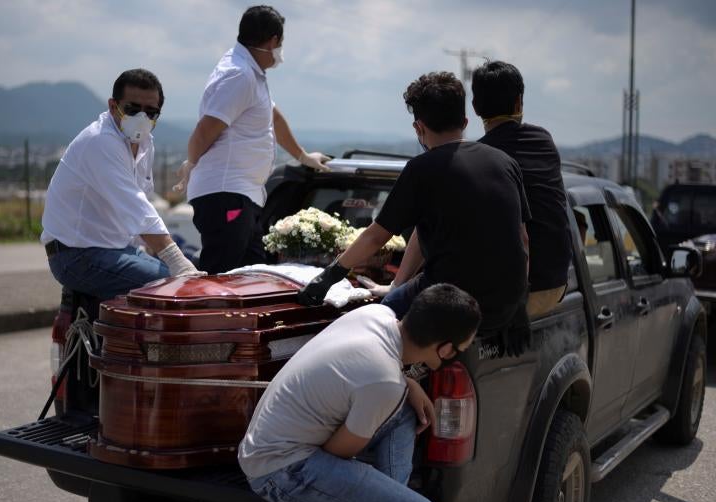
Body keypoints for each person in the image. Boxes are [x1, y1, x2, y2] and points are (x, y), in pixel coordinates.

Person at [299, 72, 530, 344]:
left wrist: (328, 276)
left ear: (418, 128)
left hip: (447, 302)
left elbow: (376, 236)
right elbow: (523, 240)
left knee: (370, 327)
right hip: (504, 306)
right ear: (465, 122)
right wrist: (518, 303)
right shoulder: (505, 162)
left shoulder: (422, 169)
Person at [240, 283, 481, 502]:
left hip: (264, 447)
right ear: (445, 349)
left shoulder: (375, 315)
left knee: (404, 410)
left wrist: (407, 384)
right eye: (458, 351)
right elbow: (337, 453)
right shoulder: (385, 383)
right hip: (279, 473)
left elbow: (367, 373)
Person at [174, 5, 330, 274]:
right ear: (273, 41)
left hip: (241, 196)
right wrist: (191, 164)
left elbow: (273, 118)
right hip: (226, 194)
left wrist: (302, 156)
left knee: (252, 276)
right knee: (222, 279)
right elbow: (204, 130)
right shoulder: (239, 75)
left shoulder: (249, 73)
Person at [41, 69, 202, 301]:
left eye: (151, 112)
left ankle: (78, 309)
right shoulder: (101, 141)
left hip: (113, 248)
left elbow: (142, 200)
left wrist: (149, 253)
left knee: (173, 279)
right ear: (112, 105)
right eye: (132, 109)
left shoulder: (145, 143)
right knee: (173, 287)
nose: (142, 117)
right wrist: (176, 259)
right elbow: (136, 207)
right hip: (77, 254)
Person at [472, 61, 572, 316]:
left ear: (475, 108)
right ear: (519, 103)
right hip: (556, 284)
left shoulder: (477, 157)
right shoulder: (544, 141)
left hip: (516, 296)